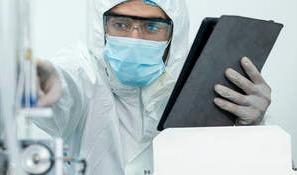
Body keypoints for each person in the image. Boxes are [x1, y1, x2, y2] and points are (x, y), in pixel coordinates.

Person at [33, 0, 272, 174]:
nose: (134, 39)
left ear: (173, 34)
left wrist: (252, 128)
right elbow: (64, 84)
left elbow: (237, 164)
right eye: (121, 24)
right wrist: (44, 82)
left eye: (152, 27)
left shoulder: (203, 85)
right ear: (101, 27)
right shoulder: (84, 73)